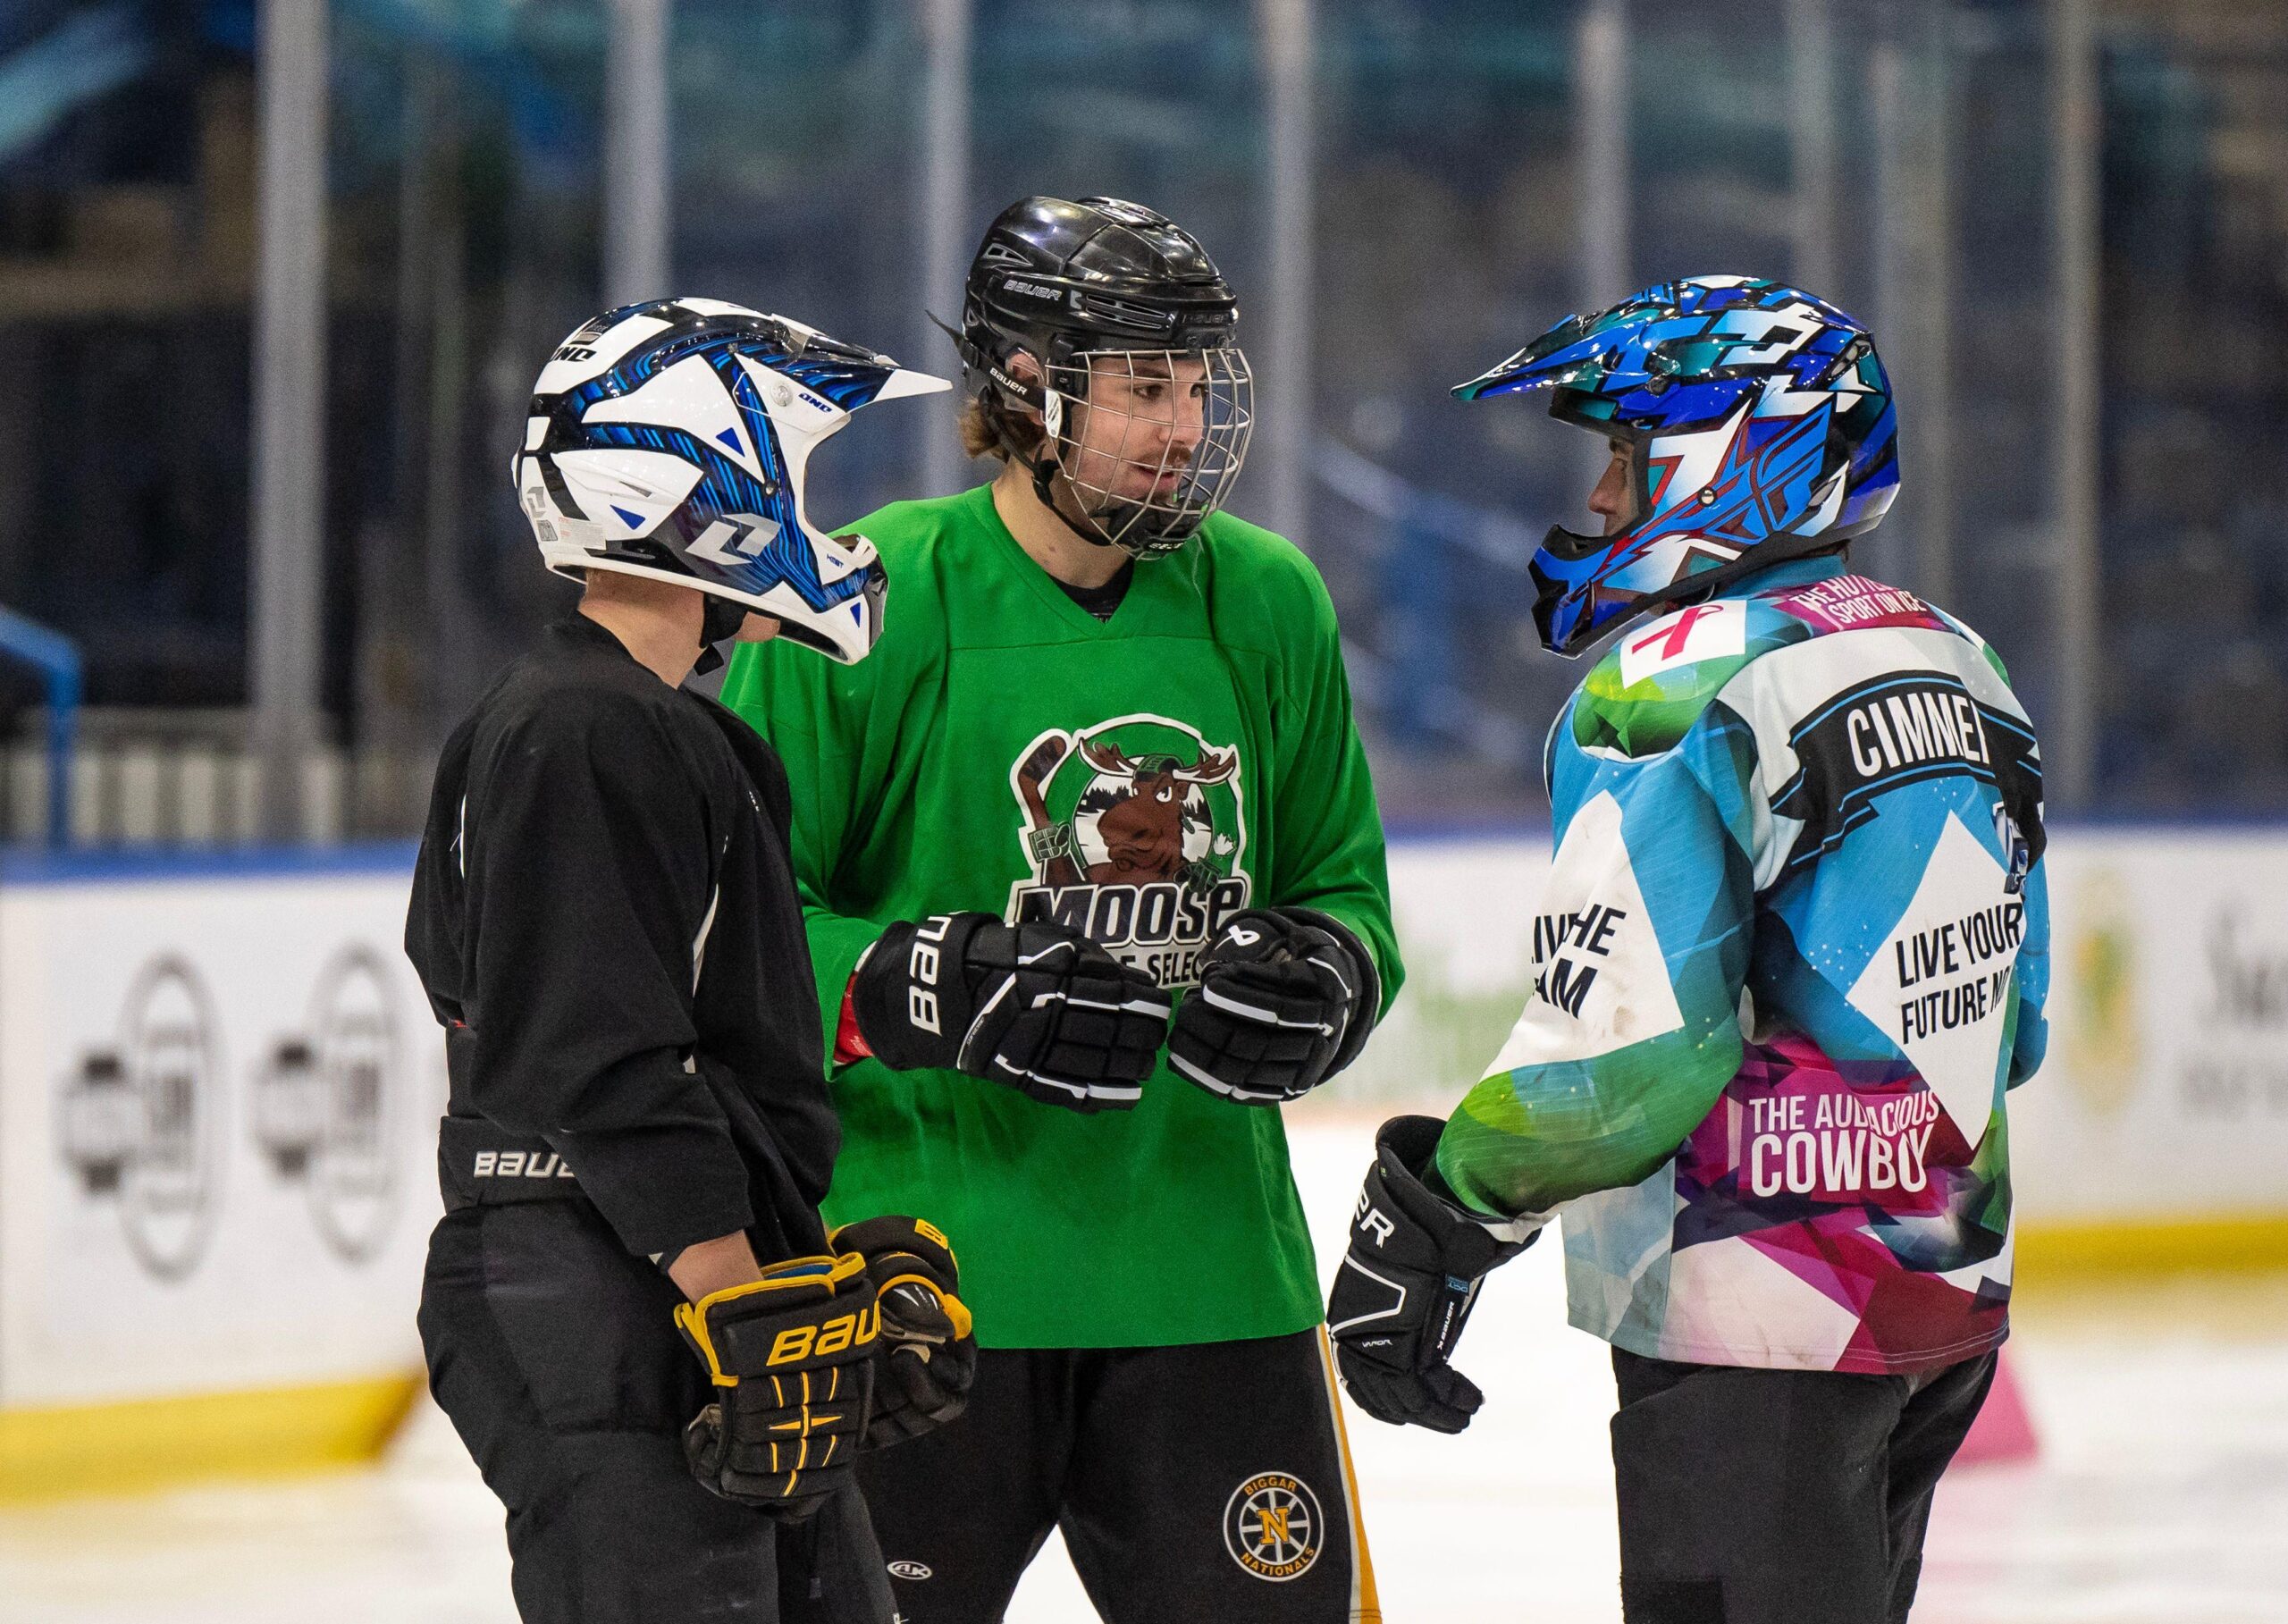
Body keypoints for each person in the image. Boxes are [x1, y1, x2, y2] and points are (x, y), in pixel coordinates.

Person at [1326, 275, 2050, 1624]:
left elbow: (1629, 1057)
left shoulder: (1675, 679)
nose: (1601, 501)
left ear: (1739, 461)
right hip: (1938, 1303)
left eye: (1625, 457)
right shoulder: (1961, 660)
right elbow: (2027, 1019)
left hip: (1752, 1321)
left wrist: (1443, 1212)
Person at [720, 197, 1399, 1623]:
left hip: (1213, 1279)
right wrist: (913, 977)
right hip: (928, 1286)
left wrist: (1332, 970)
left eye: (1199, 381)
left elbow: (1343, 888)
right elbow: (740, 931)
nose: (1184, 423)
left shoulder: (1268, 602)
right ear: (1027, 387)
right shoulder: (871, 597)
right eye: (1144, 386)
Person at [407, 297, 975, 1624]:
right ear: (694, 487)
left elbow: (678, 1046)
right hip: (599, 1278)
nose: (818, 521)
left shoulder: (644, 730)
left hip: (645, 1272)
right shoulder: (583, 732)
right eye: (791, 470)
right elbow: (600, 1057)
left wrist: (791, 1269)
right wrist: (738, 1298)